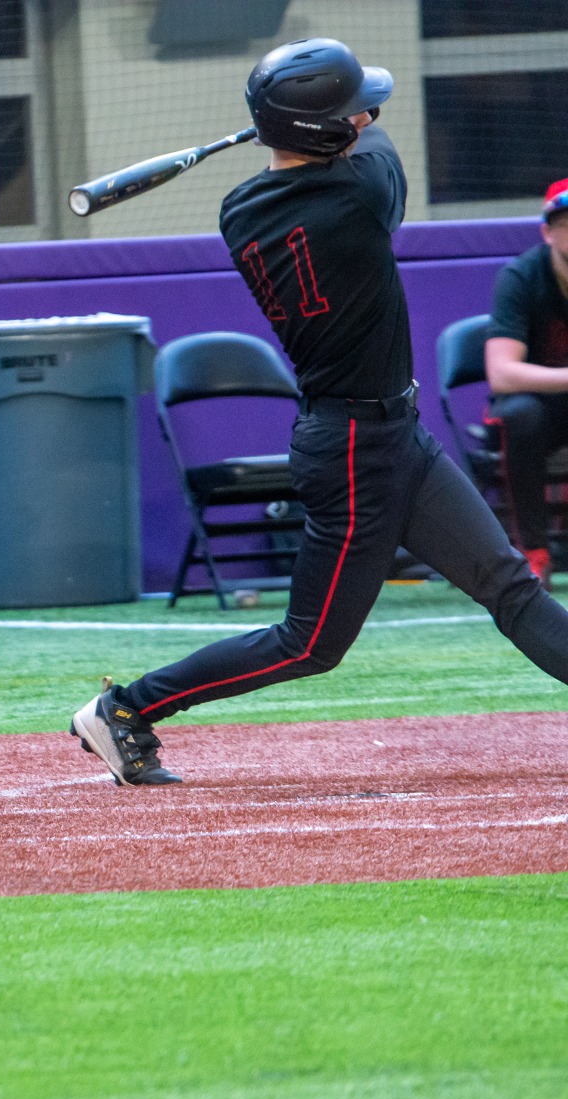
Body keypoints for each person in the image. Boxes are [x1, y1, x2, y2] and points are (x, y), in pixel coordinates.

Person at [71, 38, 568, 786]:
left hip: (391, 433)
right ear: (325, 132)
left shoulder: (241, 210)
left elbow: (338, 147)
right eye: (351, 111)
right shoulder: (361, 194)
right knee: (310, 644)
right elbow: (378, 144)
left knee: (509, 587)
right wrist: (340, 125)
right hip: (354, 449)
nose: (366, 117)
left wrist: (311, 124)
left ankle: (128, 709)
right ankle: (126, 709)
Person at [482, 179, 568, 586]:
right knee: (521, 415)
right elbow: (502, 373)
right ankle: (533, 552)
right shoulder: (520, 277)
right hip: (535, 407)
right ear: (547, 232)